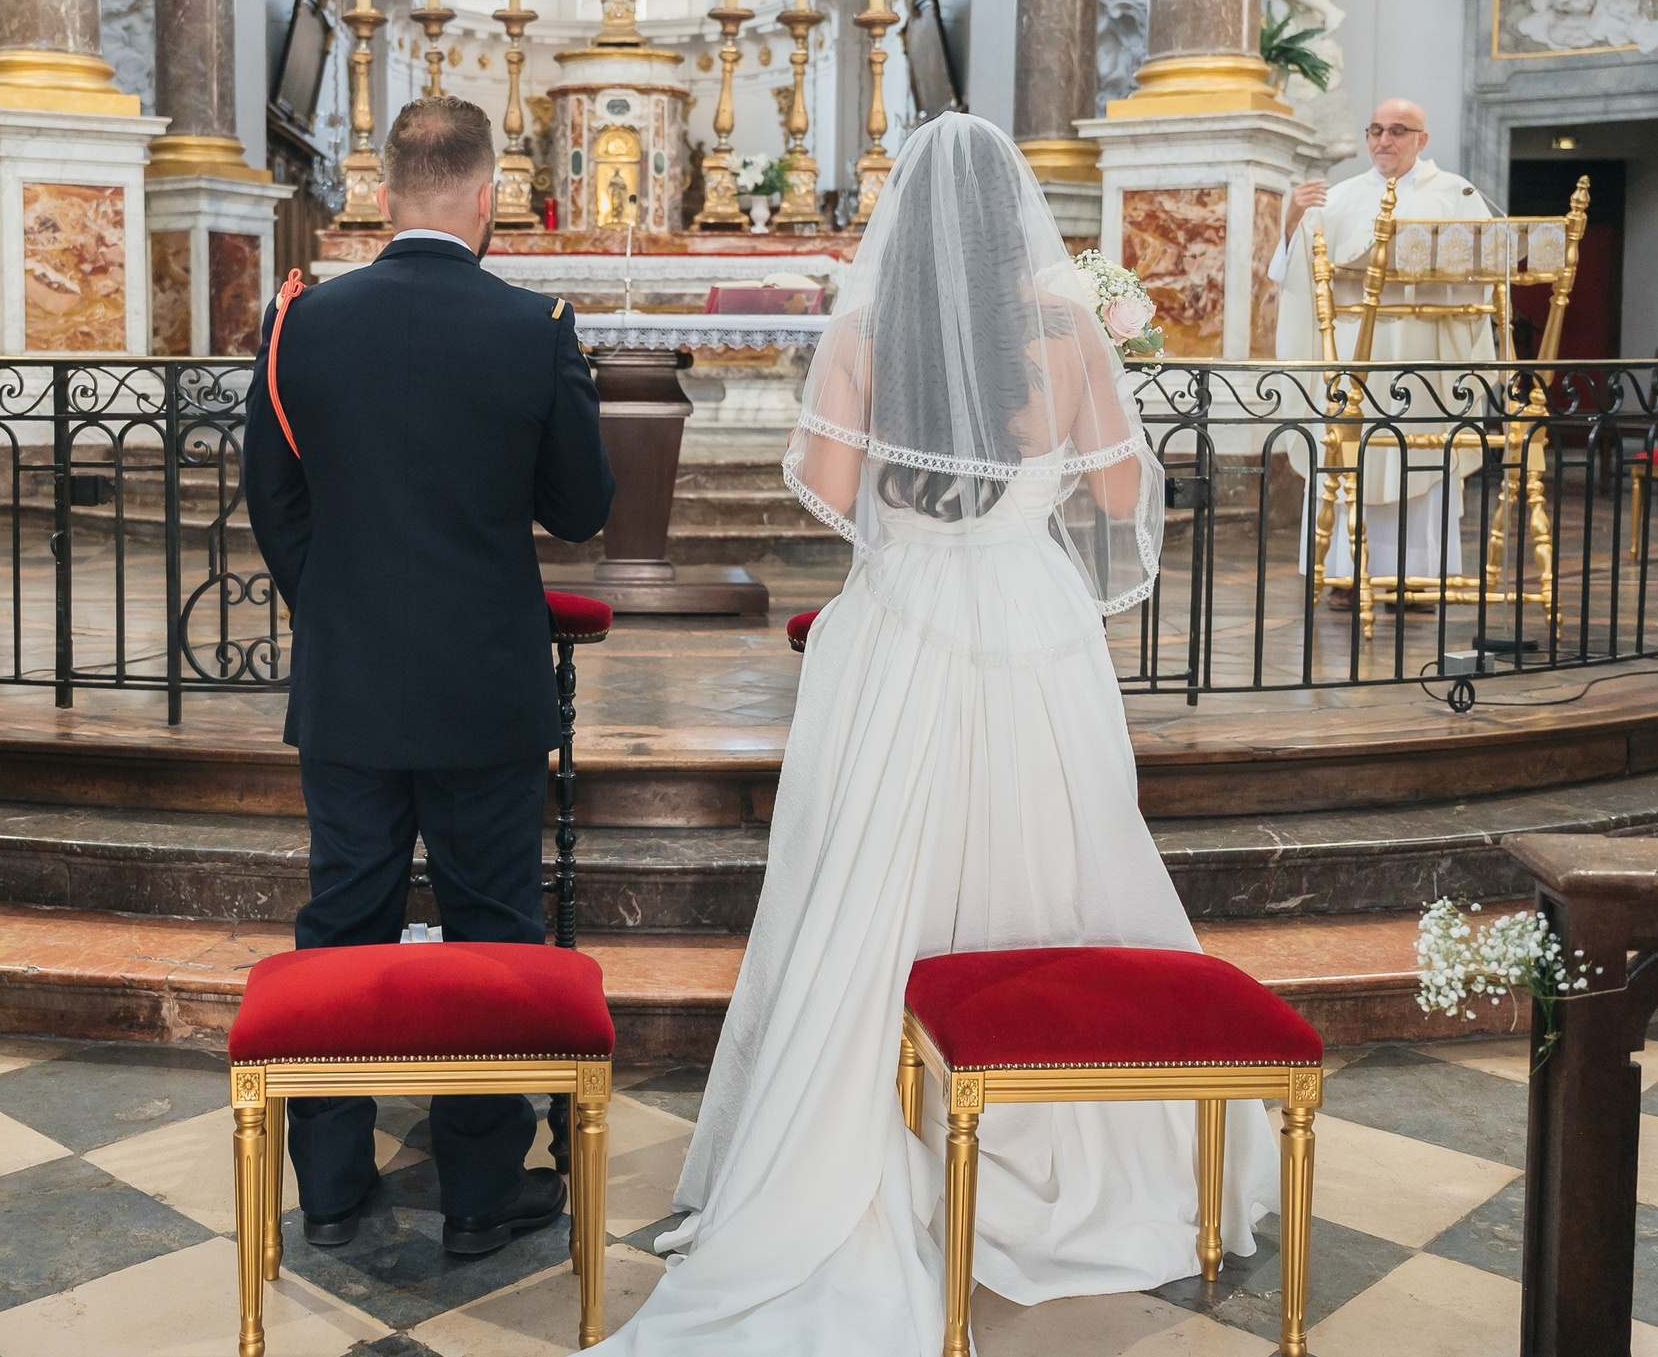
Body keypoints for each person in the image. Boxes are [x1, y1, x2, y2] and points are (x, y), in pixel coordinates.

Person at [591, 113, 1276, 1354]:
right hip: (1029, 620)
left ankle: (869, 1139)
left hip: (902, 628)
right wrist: (1066, 433)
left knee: (877, 878)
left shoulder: (863, 329)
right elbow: (1125, 496)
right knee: (1048, 854)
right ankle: (1055, 1123)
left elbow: (830, 488)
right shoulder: (1063, 329)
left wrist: (917, 527)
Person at [243, 96, 616, 1258]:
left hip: (351, 684)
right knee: (493, 933)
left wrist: (342, 606)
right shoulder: (531, 324)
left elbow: (273, 497)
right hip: (486, 683)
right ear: (485, 194)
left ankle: (337, 1190)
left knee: (341, 926)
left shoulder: (302, 321)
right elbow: (581, 506)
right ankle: (475, 1196)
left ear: (389, 190)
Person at [1271, 97, 1498, 586]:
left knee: (1419, 454)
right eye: (1375, 130)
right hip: (1355, 360)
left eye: (1398, 130)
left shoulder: (1457, 195)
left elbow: (1487, 275)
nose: (1384, 140)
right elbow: (1294, 276)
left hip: (1424, 356)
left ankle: (1416, 578)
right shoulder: (1339, 198)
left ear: (1422, 139)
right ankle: (1346, 576)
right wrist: (1292, 219)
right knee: (1352, 455)